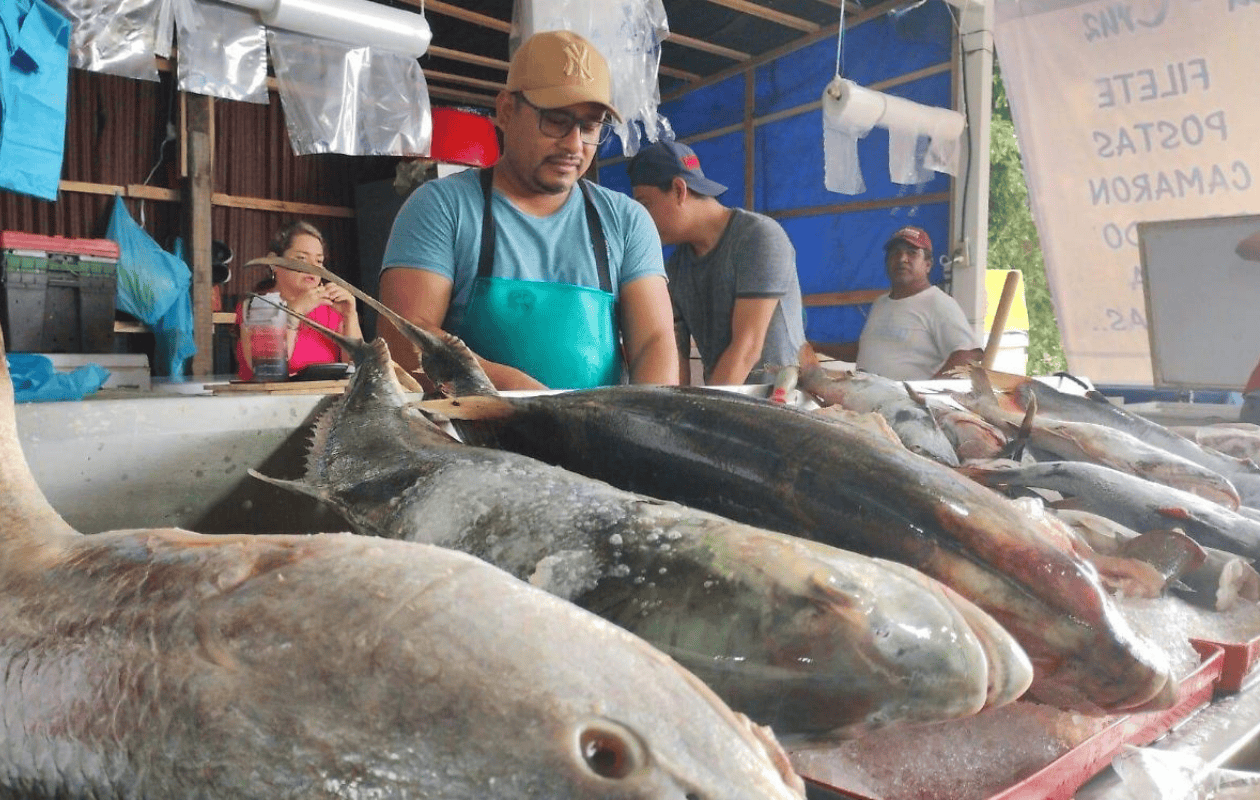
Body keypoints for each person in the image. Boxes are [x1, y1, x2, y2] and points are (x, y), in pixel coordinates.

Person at [377, 30, 678, 391]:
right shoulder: (442, 208)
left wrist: (642, 427)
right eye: (555, 120)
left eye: (590, 126)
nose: (574, 144)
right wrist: (522, 397)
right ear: (506, 110)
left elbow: (653, 344)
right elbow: (404, 338)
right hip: (470, 440)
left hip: (596, 439)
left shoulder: (626, 221)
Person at [628, 140, 807, 386]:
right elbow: (675, 358)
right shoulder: (675, 269)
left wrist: (705, 413)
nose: (642, 219)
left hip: (780, 401)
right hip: (725, 398)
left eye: (645, 205)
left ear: (679, 190)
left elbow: (746, 349)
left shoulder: (758, 237)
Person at [820, 226, 982, 380]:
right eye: (895, 253)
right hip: (869, 401)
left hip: (906, 406)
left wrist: (926, 393)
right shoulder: (881, 303)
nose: (902, 259)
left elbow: (969, 355)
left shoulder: (938, 303)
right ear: (887, 262)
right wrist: (814, 346)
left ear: (928, 264)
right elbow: (865, 350)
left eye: (912, 253)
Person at [235, 220, 362, 381]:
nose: (313, 267)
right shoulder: (257, 305)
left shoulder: (330, 309)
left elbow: (358, 369)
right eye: (302, 258)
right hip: (265, 401)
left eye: (318, 261)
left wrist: (350, 315)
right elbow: (269, 370)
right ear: (274, 262)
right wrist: (294, 312)